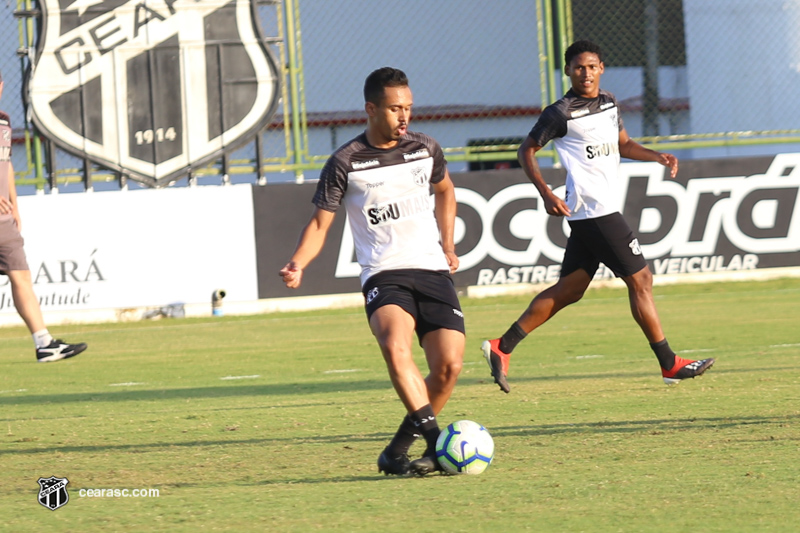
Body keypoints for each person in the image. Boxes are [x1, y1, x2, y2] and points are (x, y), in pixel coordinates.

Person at [482, 40, 714, 393]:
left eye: (591, 66)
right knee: (641, 281)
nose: (586, 73)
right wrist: (546, 193)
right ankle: (669, 363)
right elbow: (526, 150)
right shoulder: (560, 112)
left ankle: (502, 346)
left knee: (570, 290)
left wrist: (656, 156)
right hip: (596, 211)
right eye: (578, 67)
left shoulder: (608, 103)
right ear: (568, 72)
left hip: (591, 213)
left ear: (601, 68)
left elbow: (623, 145)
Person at [280, 67, 464, 476]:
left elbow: (446, 190)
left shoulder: (426, 148)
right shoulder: (345, 162)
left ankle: (396, 450)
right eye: (396, 108)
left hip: (432, 269)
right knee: (396, 347)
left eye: (409, 108)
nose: (405, 117)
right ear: (371, 108)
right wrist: (299, 262)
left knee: (449, 367)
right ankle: (438, 445)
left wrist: (448, 245)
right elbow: (319, 223)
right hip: (385, 273)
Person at [0, 70, 87, 362]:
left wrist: (15, 205)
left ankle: (44, 343)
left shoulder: (3, 121)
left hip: (3, 221)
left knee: (21, 276)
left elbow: (6, 165)